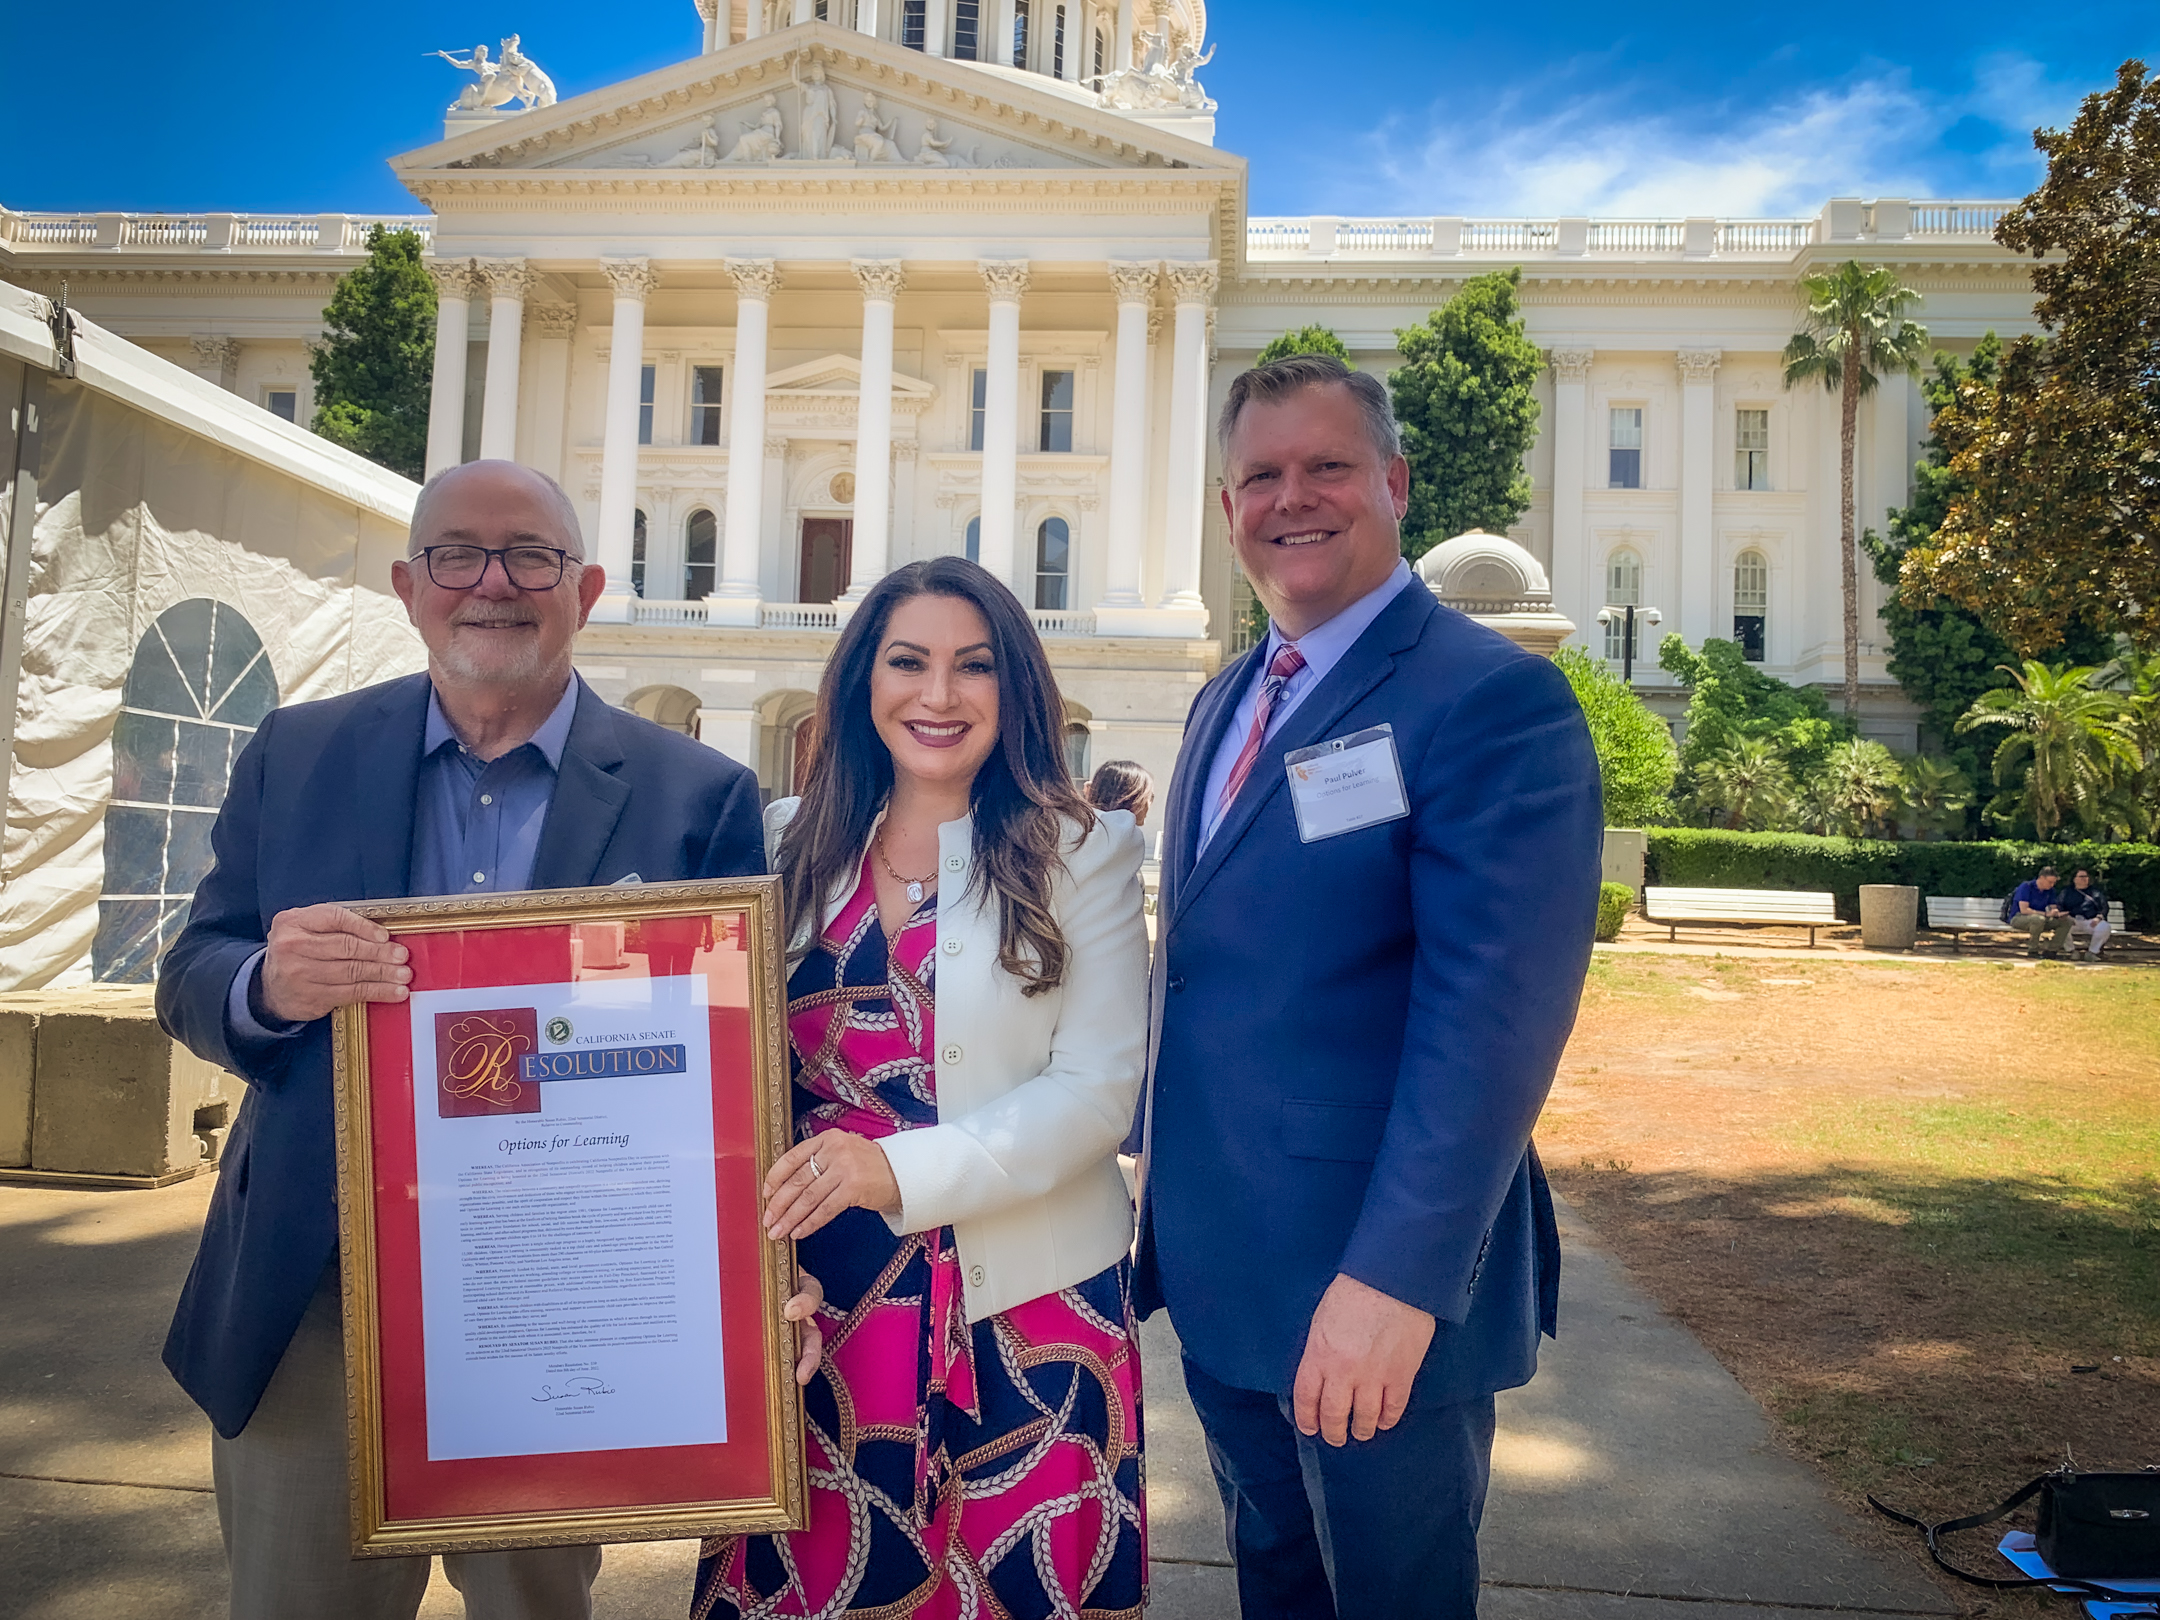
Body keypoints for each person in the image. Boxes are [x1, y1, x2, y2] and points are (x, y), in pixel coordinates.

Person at [155, 460, 821, 1620]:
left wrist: (752, 1268)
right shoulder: (295, 753)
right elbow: (193, 971)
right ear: (412, 587)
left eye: (532, 557)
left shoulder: (694, 795)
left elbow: (736, 1059)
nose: (494, 583)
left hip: (559, 1301)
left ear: (588, 588)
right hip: (316, 1292)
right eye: (458, 555)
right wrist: (270, 981)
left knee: (533, 1605)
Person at [1133, 354, 1603, 1617]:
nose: (1293, 498)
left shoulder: (1491, 698)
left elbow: (1493, 1022)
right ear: (1228, 507)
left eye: (1327, 467)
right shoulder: (1226, 698)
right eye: (1260, 476)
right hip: (1229, 1278)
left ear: (1392, 481)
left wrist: (1395, 1285)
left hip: (1376, 1297)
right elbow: (1218, 966)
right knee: (1275, 1590)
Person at [694, 557, 1150, 1618]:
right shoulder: (785, 844)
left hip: (1027, 1315)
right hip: (821, 1307)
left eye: (973, 666)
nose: (938, 696)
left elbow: (1096, 1091)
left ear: (1016, 689)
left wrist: (887, 1167)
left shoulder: (1083, 852)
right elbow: (728, 1081)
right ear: (863, 681)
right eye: (908, 662)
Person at [2008, 866, 2073, 958]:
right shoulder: (2026, 887)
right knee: (2038, 919)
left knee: (2067, 921)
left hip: (2041, 918)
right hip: (2019, 917)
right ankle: (2033, 950)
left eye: (2054, 882)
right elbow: (2024, 910)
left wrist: (2057, 913)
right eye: (2050, 882)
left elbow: (2052, 907)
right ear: (2042, 878)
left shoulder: (2050, 891)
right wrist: (2046, 914)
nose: (2052, 885)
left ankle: (2051, 951)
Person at [2061, 868, 2113, 960]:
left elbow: (2104, 907)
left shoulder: (2096, 892)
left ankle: (2092, 953)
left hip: (2090, 921)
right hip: (2072, 921)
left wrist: (2098, 918)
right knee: (2061, 925)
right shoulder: (2066, 892)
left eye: (2086, 876)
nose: (2084, 878)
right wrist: (2067, 917)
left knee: (2105, 926)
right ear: (2074, 879)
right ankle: (2071, 952)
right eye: (2081, 876)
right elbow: (2059, 906)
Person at [1085, 758, 1155, 826]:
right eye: (1150, 796)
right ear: (1130, 799)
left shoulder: (1086, 831)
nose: (1150, 802)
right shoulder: (1129, 836)